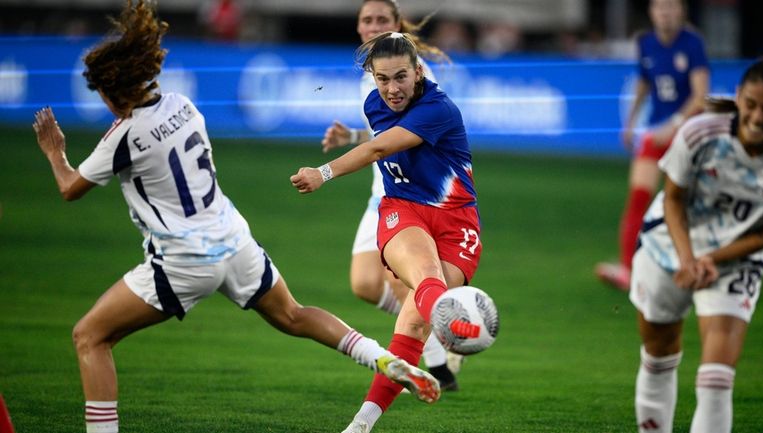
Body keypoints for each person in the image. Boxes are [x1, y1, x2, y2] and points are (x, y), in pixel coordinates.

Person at [31, 2, 439, 432]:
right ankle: (384, 358)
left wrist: (56, 153)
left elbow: (70, 189)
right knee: (294, 315)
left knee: (90, 337)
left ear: (113, 91)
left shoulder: (121, 139)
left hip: (182, 260)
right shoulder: (182, 105)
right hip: (234, 239)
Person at [291, 31, 482, 433]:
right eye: (382, 79)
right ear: (372, 77)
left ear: (418, 72)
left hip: (456, 222)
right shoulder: (372, 105)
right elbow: (381, 142)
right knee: (426, 280)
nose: (392, 89)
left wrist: (323, 173)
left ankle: (365, 421)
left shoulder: (439, 108)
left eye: (400, 77)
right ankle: (454, 326)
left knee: (412, 323)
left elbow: (380, 149)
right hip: (403, 211)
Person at [320, 0, 461, 389]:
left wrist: (327, 171)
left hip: (411, 195)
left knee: (402, 279)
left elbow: (413, 137)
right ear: (358, 26)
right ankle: (435, 336)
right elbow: (386, 136)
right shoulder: (373, 73)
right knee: (365, 283)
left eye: (382, 20)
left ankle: (438, 361)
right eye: (367, 20)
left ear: (398, 26)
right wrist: (351, 137)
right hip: (381, 189)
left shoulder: (412, 73)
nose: (373, 26)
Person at [629, 59, 763, 433]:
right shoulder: (700, 133)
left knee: (717, 378)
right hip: (668, 245)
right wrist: (689, 259)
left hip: (735, 259)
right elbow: (673, 198)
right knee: (659, 352)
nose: (758, 117)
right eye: (752, 105)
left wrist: (712, 259)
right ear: (739, 98)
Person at [595, 0, 710, 291]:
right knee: (637, 199)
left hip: (686, 136)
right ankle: (628, 270)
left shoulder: (693, 43)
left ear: (681, 10)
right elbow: (644, 83)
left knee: (685, 203)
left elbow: (700, 96)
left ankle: (695, 265)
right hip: (656, 135)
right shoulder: (645, 43)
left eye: (671, 7)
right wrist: (632, 121)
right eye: (661, 7)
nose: (666, 13)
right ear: (651, 12)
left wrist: (674, 125)